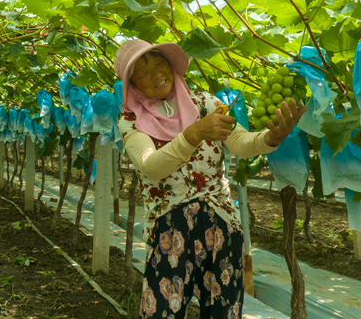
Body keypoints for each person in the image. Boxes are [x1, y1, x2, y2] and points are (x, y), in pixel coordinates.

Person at [115, 39, 305, 319]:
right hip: (170, 230)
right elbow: (150, 166)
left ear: (171, 66)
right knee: (162, 313)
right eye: (143, 72)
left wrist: (271, 138)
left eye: (159, 63)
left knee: (224, 313)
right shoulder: (130, 119)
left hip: (222, 225)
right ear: (132, 85)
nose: (156, 73)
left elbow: (240, 142)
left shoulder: (205, 102)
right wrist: (193, 135)